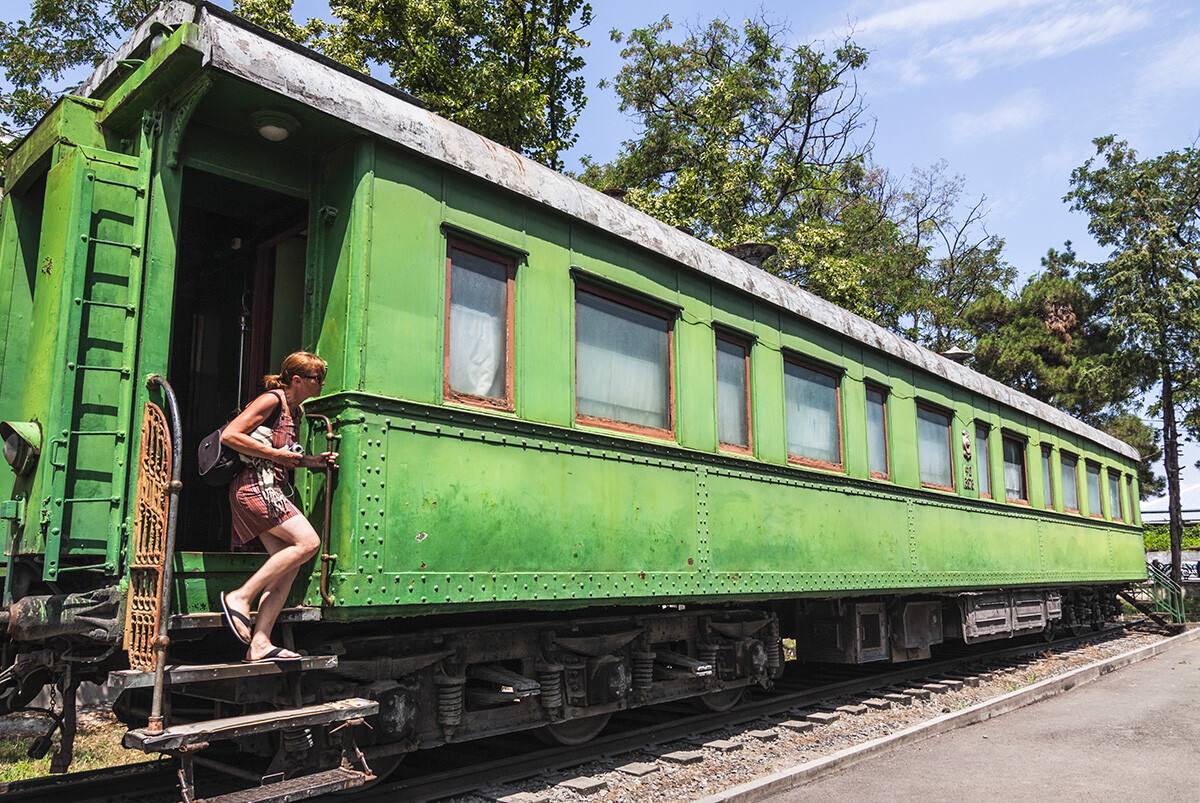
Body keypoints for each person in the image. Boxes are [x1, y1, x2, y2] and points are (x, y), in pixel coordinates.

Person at [218, 351, 337, 661]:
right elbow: (231, 435)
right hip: (254, 488)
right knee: (309, 542)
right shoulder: (271, 400)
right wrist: (277, 456)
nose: (321, 384)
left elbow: (286, 455)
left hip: (267, 488)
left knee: (288, 565)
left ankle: (259, 642)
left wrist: (311, 461)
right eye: (316, 379)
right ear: (297, 380)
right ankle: (239, 597)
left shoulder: (294, 412)